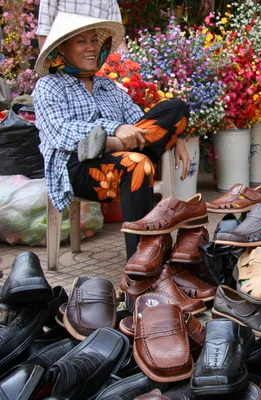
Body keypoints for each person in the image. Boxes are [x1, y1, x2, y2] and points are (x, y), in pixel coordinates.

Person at [33, 12, 191, 259]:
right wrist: (113, 130)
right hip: (76, 166)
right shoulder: (49, 85)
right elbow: (60, 132)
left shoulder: (107, 86)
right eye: (81, 41)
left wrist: (175, 137)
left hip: (121, 153)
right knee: (139, 164)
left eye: (94, 40)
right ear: (62, 49)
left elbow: (139, 122)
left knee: (176, 107)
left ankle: (111, 146)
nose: (91, 47)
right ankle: (139, 266)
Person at [37, 0, 128, 52]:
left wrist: (130, 67)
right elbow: (45, 31)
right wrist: (50, 69)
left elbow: (116, 39)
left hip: (95, 66)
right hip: (63, 64)